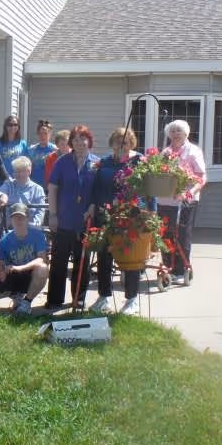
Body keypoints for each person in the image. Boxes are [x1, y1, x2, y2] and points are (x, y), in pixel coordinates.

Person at [45, 125, 99, 310]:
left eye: (82, 139)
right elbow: (52, 189)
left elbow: (98, 193)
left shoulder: (96, 164)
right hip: (63, 219)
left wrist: (93, 206)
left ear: (89, 141)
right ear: (71, 143)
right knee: (59, 262)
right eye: (75, 140)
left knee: (82, 262)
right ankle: (54, 299)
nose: (79, 143)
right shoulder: (62, 162)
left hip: (85, 222)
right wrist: (52, 215)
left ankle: (79, 298)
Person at [90, 127, 143, 314]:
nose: (122, 146)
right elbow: (95, 189)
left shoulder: (138, 162)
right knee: (104, 257)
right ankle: (103, 297)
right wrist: (92, 206)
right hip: (104, 215)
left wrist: (149, 211)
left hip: (129, 217)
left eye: (126, 142)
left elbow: (147, 190)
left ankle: (131, 300)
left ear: (131, 144)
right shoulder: (103, 163)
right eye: (118, 142)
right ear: (112, 144)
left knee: (130, 258)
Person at [157, 120, 208, 285]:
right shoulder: (165, 152)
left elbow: (201, 177)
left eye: (179, 131)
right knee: (165, 234)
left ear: (186, 133)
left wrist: (189, 193)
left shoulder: (194, 151)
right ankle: (167, 267)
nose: (175, 134)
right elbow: (158, 174)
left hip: (186, 201)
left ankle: (180, 270)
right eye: (172, 131)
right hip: (165, 199)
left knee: (182, 235)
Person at [0, 203, 49, 315]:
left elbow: (41, 259)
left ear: (28, 218)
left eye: (21, 217)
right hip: (12, 274)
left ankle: (26, 302)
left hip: (30, 273)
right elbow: (0, 263)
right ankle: (16, 296)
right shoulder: (4, 240)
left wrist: (20, 268)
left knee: (43, 268)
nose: (18, 220)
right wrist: (0, 271)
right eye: (15, 217)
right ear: (11, 220)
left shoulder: (38, 235)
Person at [0, 156, 46, 230]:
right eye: (16, 171)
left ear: (29, 171)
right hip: (9, 228)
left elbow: (40, 212)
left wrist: (33, 227)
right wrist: (2, 195)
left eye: (22, 171)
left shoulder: (38, 189)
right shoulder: (9, 184)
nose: (19, 174)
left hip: (30, 228)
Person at [27, 119, 56, 186]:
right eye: (40, 133)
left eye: (45, 133)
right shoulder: (31, 150)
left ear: (50, 134)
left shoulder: (55, 150)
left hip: (50, 187)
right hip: (34, 186)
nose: (42, 136)